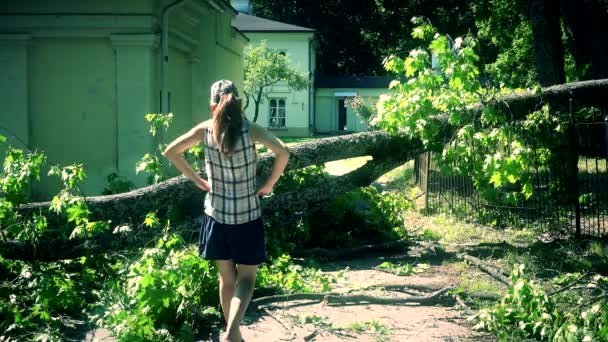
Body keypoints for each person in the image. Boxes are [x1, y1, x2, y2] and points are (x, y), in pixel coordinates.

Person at [163, 80, 290, 342]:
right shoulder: (251, 130)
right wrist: (269, 184)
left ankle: (232, 332)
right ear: (239, 103)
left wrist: (198, 181)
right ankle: (232, 332)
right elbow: (284, 152)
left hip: (216, 216)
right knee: (246, 279)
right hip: (247, 216)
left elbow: (171, 152)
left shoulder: (204, 130)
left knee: (226, 278)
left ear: (213, 106)